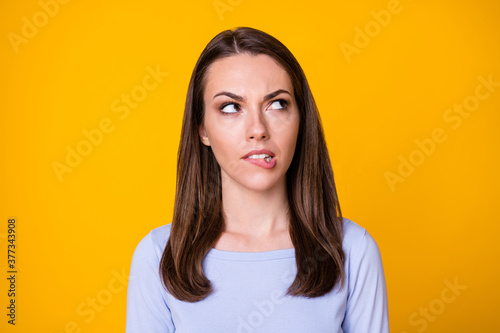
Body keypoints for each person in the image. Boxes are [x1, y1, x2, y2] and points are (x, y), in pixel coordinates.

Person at [126, 26, 389, 333]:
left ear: (301, 120)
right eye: (230, 107)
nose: (257, 129)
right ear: (203, 129)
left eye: (277, 104)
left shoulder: (352, 249)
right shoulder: (159, 255)